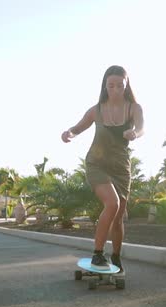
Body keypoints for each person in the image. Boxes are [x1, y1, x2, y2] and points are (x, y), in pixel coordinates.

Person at [61, 65, 144, 275]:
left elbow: (142, 127)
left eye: (119, 85)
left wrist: (135, 132)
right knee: (112, 203)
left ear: (126, 86)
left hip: (121, 168)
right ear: (105, 86)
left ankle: (115, 256)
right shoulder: (96, 110)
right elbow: (77, 128)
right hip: (97, 165)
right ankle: (98, 253)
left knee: (118, 217)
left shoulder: (134, 108)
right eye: (111, 85)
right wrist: (69, 133)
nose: (115, 89)